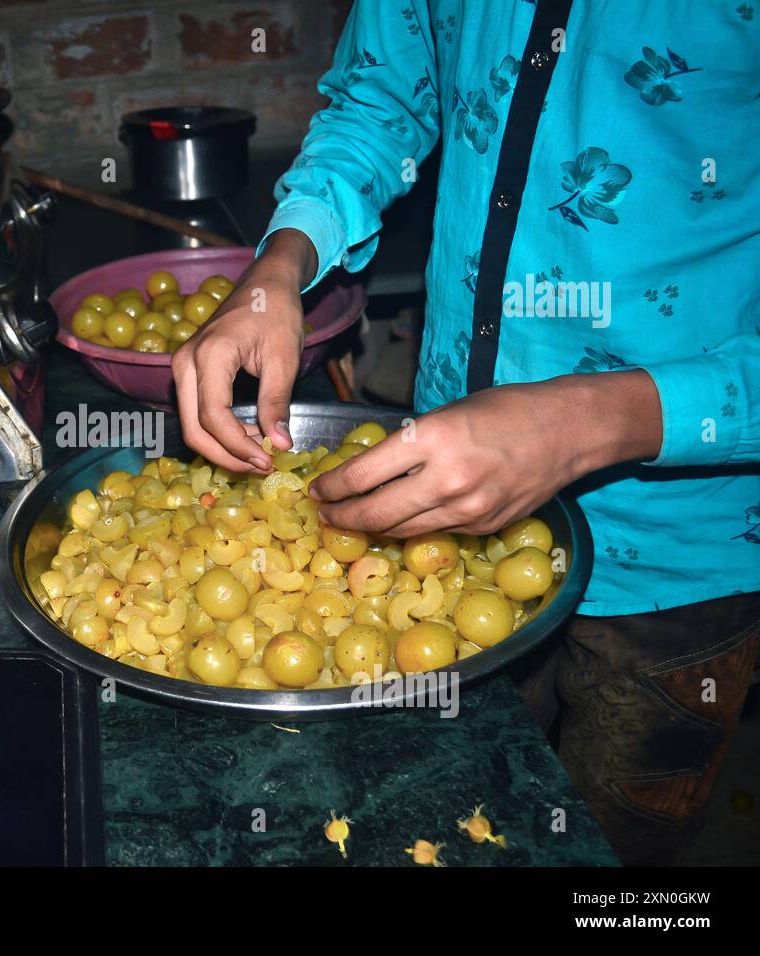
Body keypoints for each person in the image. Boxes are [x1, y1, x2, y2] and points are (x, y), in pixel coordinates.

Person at [171, 0, 760, 865]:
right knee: (439, 820)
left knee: (608, 860)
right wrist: (281, 262)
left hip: (681, 555)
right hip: (436, 501)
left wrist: (590, 418)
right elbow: (382, 102)